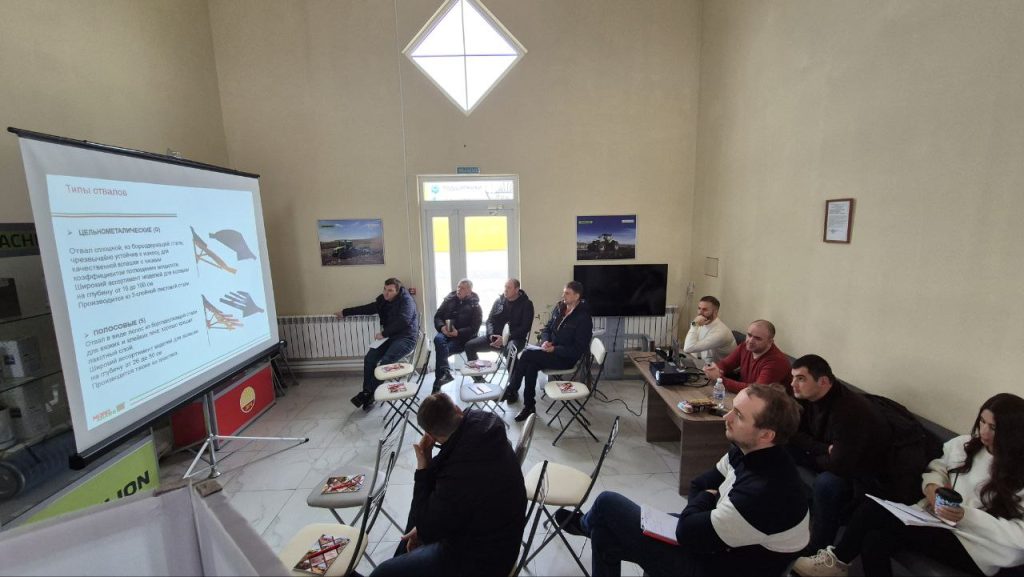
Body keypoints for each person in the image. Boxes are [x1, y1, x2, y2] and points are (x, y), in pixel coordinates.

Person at [557, 383, 809, 576]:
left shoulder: (764, 492)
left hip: (720, 566)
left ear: (766, 435)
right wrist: (706, 500)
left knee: (606, 503)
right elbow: (699, 484)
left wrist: (705, 501)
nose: (726, 417)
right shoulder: (748, 451)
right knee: (604, 533)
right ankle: (592, 525)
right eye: (732, 408)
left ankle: (586, 524)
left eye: (739, 415)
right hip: (717, 542)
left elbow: (687, 530)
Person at [793, 393, 1024, 577]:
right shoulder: (966, 444)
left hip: (979, 548)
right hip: (939, 521)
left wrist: (966, 516)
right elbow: (938, 467)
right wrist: (932, 488)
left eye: (993, 427)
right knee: (875, 540)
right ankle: (836, 563)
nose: (983, 431)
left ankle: (837, 561)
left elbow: (1019, 536)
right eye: (982, 421)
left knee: (873, 510)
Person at [370, 393, 527, 577]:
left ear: (431, 436)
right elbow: (444, 483)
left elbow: (429, 528)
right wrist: (422, 526)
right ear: (458, 410)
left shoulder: (458, 475)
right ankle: (403, 557)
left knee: (383, 572)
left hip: (485, 558)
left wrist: (423, 466)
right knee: (417, 517)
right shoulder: (483, 422)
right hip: (499, 528)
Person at [788, 354, 892, 553]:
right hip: (826, 456)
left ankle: (818, 547)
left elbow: (840, 464)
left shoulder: (849, 410)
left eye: (800, 378)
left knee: (827, 484)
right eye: (793, 377)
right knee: (776, 446)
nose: (793, 384)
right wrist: (821, 448)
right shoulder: (805, 396)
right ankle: (781, 513)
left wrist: (810, 450)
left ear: (823, 381)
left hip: (861, 474)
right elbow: (792, 432)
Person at [502, 281, 592, 423]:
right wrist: (545, 341)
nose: (563, 296)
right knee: (531, 365)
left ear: (577, 296)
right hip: (550, 351)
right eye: (563, 292)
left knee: (526, 354)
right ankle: (529, 406)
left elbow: (577, 349)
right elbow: (547, 329)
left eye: (567, 293)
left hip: (565, 358)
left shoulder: (583, 318)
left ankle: (512, 389)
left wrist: (555, 348)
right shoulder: (559, 308)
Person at [337, 277, 419, 411]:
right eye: (385, 289)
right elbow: (367, 308)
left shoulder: (406, 300)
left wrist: (384, 333)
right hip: (390, 337)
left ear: (397, 291)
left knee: (386, 361)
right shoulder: (383, 300)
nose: (386, 293)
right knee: (369, 358)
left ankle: (366, 393)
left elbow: (403, 320)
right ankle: (369, 395)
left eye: (390, 290)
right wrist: (345, 312)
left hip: (406, 338)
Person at [462, 278, 534, 384]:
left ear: (516, 290)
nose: (505, 290)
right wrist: (491, 335)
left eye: (508, 287)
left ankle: (513, 387)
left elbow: (525, 328)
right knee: (469, 346)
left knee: (510, 351)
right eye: (505, 287)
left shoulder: (526, 304)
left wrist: (505, 338)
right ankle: (479, 380)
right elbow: (490, 320)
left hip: (515, 339)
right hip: (495, 338)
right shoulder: (499, 301)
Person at [702, 319, 792, 394]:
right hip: (746, 396)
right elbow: (726, 364)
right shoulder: (745, 346)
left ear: (770, 342)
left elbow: (756, 390)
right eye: (749, 335)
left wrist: (720, 379)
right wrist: (714, 369)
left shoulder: (777, 362)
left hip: (771, 405)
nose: (750, 341)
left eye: (757, 338)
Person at [431, 279, 482, 391]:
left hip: (461, 338)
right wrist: (442, 327)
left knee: (441, 352)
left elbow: (474, 328)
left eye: (462, 288)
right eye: (458, 287)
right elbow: (437, 317)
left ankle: (438, 385)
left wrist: (458, 332)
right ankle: (445, 373)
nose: (459, 289)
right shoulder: (449, 300)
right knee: (437, 339)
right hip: (445, 332)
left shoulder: (475, 306)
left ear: (469, 291)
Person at [682, 295, 736, 364]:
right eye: (699, 308)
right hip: (706, 363)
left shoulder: (720, 332)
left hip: (722, 368)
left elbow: (688, 348)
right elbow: (691, 347)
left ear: (715, 312)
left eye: (705, 310)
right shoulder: (703, 322)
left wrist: (694, 325)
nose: (700, 313)